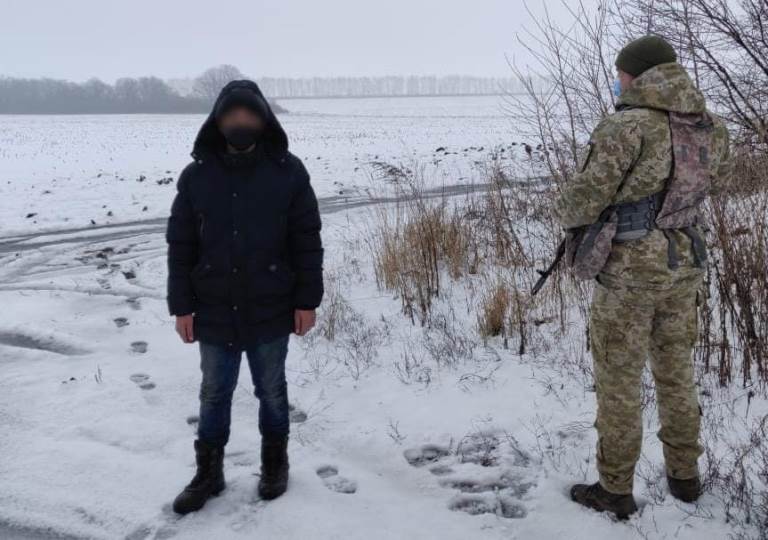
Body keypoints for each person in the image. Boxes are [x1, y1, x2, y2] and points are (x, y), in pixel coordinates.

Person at [556, 35, 731, 519]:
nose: (619, 79)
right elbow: (715, 181)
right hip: (685, 262)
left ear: (637, 74)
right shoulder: (711, 127)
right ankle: (685, 478)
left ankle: (614, 489)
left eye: (622, 72)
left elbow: (578, 203)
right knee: (676, 373)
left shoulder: (625, 127)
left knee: (619, 380)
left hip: (630, 271)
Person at [166, 80, 324, 514]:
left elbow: (306, 239)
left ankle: (275, 464)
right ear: (218, 120)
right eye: (231, 114)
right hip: (214, 306)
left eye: (248, 114)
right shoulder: (197, 176)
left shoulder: (288, 171)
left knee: (271, 391)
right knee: (214, 393)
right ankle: (209, 473)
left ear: (263, 119)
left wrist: (306, 300)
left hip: (271, 305)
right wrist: (182, 305)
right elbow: (180, 246)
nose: (240, 121)